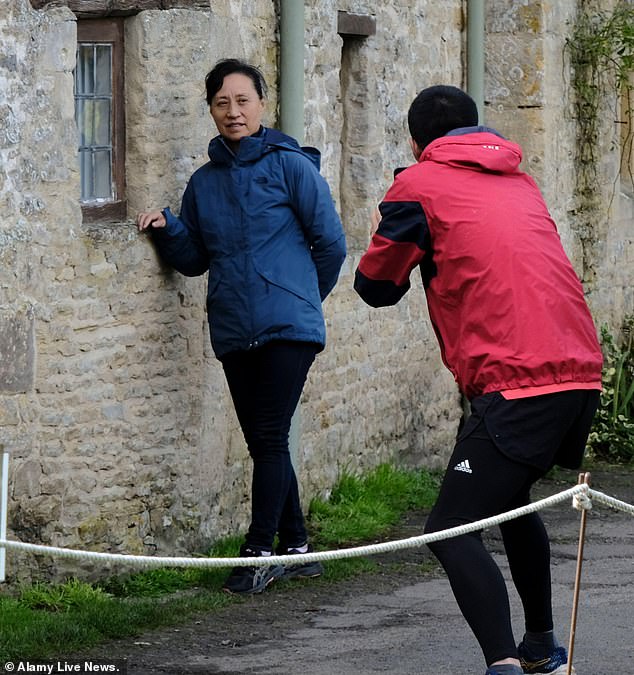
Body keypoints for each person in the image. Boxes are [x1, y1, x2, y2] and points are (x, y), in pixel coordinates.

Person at [354, 85, 602, 675]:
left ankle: (504, 664)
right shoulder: (520, 181)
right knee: (510, 504)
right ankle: (541, 649)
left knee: (450, 530)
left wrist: (383, 223)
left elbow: (376, 288)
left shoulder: (416, 185)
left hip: (519, 382)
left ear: (418, 143)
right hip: (579, 374)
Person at [137, 58, 346, 595]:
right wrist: (168, 229)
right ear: (211, 109)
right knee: (265, 443)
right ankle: (298, 546)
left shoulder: (291, 166)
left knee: (271, 437)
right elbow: (196, 260)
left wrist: (301, 299)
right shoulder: (203, 184)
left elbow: (331, 243)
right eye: (222, 103)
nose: (234, 112)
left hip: (288, 328)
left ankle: (257, 551)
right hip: (233, 327)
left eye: (243, 101)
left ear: (262, 104)